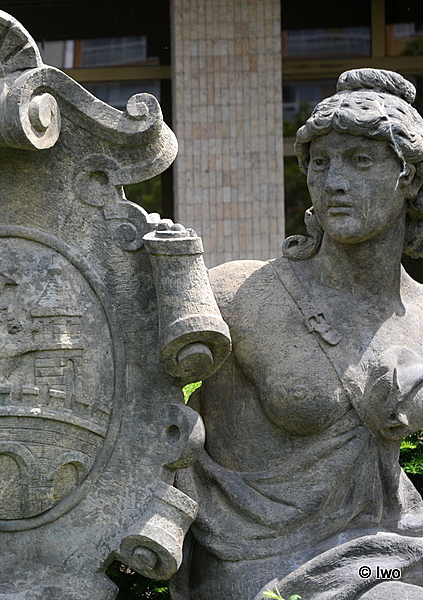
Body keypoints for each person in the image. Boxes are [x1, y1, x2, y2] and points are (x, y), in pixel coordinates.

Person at [174, 69, 423, 600]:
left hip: (385, 555)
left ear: (411, 179)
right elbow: (139, 406)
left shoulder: (422, 313)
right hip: (261, 567)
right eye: (320, 162)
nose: (334, 182)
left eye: (360, 161)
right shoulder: (242, 293)